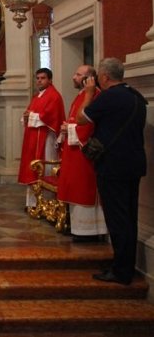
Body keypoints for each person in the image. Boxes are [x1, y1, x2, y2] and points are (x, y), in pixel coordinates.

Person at [76, 58, 147, 285]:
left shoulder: (108, 97)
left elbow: (81, 119)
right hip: (134, 163)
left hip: (113, 165)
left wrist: (89, 93)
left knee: (117, 219)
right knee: (129, 217)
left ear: (105, 77)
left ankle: (121, 271)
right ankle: (125, 265)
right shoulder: (136, 97)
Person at [57, 65, 107, 242]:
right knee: (73, 187)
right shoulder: (81, 95)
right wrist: (67, 127)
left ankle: (89, 230)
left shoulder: (94, 96)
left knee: (84, 187)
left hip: (83, 151)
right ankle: (78, 228)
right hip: (73, 150)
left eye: (78, 75)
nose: (73, 77)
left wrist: (70, 128)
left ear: (90, 78)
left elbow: (88, 125)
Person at [18, 68, 66, 207]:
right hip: (33, 137)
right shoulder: (37, 96)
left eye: (43, 78)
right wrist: (26, 116)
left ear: (50, 80)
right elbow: (30, 113)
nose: (39, 81)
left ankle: (47, 202)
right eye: (37, 78)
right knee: (33, 167)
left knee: (44, 166)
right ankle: (33, 203)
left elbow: (50, 116)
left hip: (46, 139)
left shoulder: (54, 96)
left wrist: (31, 116)